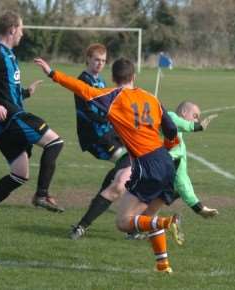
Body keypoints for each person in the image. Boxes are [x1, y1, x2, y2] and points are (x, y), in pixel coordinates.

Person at [34, 56, 183, 274]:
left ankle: (167, 222)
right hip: (167, 163)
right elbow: (171, 130)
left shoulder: (113, 96)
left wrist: (52, 73)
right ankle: (163, 265)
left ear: (113, 78)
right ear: (134, 76)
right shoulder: (151, 98)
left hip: (147, 165)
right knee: (144, 219)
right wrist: (169, 146)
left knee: (124, 222)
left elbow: (82, 89)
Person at [0, 11, 64, 237]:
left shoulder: (8, 55)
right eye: (20, 28)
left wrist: (25, 93)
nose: (22, 32)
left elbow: (3, 89)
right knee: (56, 142)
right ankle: (41, 194)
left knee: (19, 174)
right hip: (10, 119)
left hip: (8, 119)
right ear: (12, 29)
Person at [69, 43, 132, 240]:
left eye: (103, 61)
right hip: (96, 136)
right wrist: (109, 117)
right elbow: (88, 112)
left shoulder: (101, 81)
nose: (100, 64)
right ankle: (132, 226)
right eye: (96, 60)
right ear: (87, 59)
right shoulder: (83, 80)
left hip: (108, 133)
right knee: (127, 168)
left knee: (125, 168)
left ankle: (89, 216)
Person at [168, 101, 219, 218]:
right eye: (195, 116)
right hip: (151, 164)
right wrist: (198, 126)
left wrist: (198, 207)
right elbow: (179, 123)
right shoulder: (170, 116)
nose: (196, 120)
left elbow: (182, 176)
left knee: (175, 188)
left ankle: (140, 225)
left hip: (164, 166)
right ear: (184, 112)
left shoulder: (180, 146)